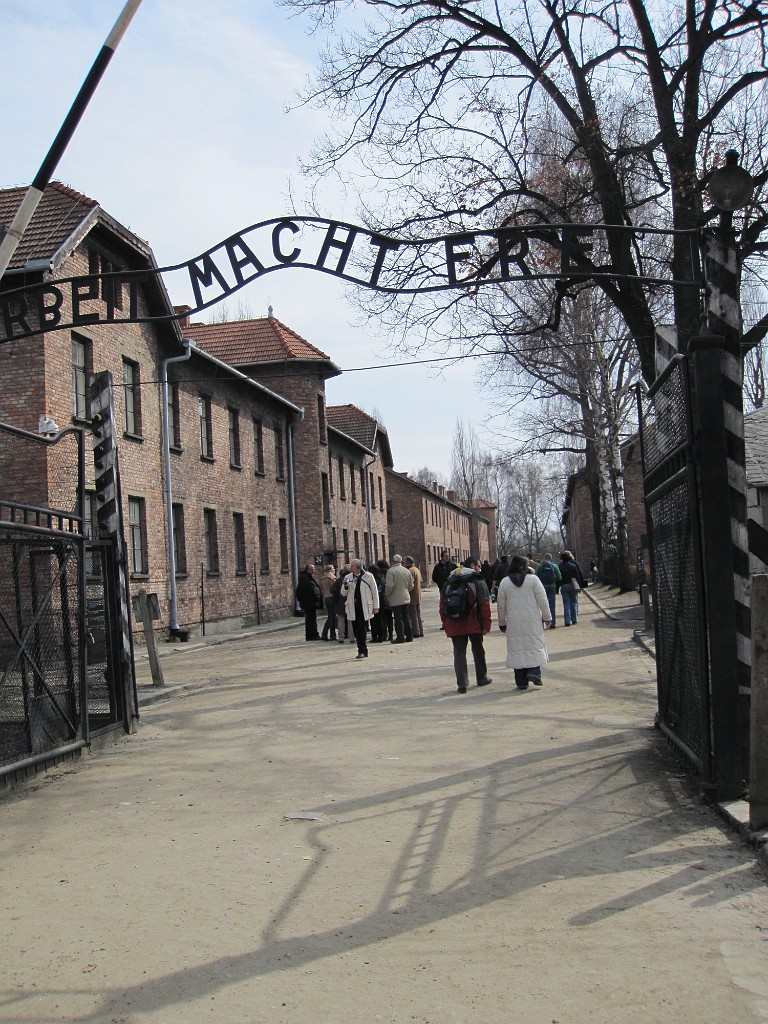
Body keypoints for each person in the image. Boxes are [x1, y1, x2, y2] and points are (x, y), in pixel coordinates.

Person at [496, 554, 552, 689]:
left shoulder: (505, 582)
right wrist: (547, 617)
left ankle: (521, 681)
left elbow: (501, 605)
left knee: (517, 649)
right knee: (534, 644)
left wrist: (502, 622)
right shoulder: (533, 580)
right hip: (532, 620)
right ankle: (534, 672)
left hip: (514, 621)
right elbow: (543, 600)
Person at [439, 558, 492, 693]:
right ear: (473, 566)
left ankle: (462, 683)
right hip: (474, 622)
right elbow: (484, 605)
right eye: (479, 566)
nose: (480, 568)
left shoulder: (449, 582)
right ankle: (482, 678)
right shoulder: (478, 582)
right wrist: (486, 624)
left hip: (454, 623)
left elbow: (442, 606)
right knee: (478, 650)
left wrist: (445, 623)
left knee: (459, 653)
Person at [343, 559, 379, 659]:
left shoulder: (368, 576)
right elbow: (343, 593)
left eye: (352, 566)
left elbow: (374, 592)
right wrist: (345, 586)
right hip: (353, 607)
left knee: (361, 629)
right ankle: (362, 649)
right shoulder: (348, 577)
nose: (350, 567)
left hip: (364, 606)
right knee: (355, 629)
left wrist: (376, 606)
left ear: (358, 567)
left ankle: (362, 650)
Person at [385, 553, 414, 643]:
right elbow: (411, 585)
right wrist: (406, 590)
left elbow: (390, 586)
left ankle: (400, 637)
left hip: (395, 598)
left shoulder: (391, 571)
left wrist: (387, 594)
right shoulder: (406, 571)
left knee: (398, 618)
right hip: (405, 596)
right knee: (406, 617)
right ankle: (409, 636)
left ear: (393, 561)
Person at [295, 563, 323, 641]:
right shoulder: (304, 578)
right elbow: (301, 590)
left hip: (312, 602)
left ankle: (312, 635)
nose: (313, 570)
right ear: (307, 570)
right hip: (309, 602)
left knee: (312, 619)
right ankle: (312, 635)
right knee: (310, 619)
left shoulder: (309, 577)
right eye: (312, 569)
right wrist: (303, 599)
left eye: (313, 569)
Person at [559, 550, 586, 627]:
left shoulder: (560, 566)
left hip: (564, 586)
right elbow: (578, 576)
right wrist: (579, 586)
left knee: (566, 603)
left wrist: (557, 587)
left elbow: (558, 578)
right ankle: (574, 619)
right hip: (573, 585)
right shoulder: (573, 566)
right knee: (573, 602)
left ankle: (567, 621)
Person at [535, 552, 562, 628]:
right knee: (552, 605)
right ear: (551, 558)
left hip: (542, 587)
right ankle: (552, 623)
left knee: (543, 605)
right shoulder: (554, 566)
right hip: (552, 587)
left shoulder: (540, 566)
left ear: (544, 558)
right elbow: (559, 577)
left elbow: (536, 576)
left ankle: (542, 622)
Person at [331, 566, 352, 643]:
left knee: (340, 620)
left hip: (340, 602)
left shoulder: (339, 580)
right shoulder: (351, 579)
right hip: (349, 602)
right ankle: (351, 637)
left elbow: (332, 590)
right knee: (350, 620)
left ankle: (341, 637)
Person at [405, 555, 424, 638]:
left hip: (412, 595)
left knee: (413, 615)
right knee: (418, 614)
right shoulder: (416, 569)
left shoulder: (410, 571)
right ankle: (420, 630)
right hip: (418, 595)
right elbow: (421, 580)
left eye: (405, 562)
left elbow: (410, 583)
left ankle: (416, 631)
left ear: (408, 562)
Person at [319, 563, 338, 641]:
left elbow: (322, 588)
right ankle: (332, 635)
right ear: (330, 570)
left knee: (330, 616)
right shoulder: (332, 578)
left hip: (326, 598)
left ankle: (324, 634)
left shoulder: (323, 579)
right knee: (332, 617)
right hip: (332, 598)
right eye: (333, 568)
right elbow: (334, 589)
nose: (334, 570)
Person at [376, 559, 394, 640]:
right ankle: (391, 635)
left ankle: (384, 635)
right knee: (390, 618)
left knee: (383, 618)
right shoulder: (390, 572)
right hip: (390, 598)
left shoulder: (379, 574)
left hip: (382, 598)